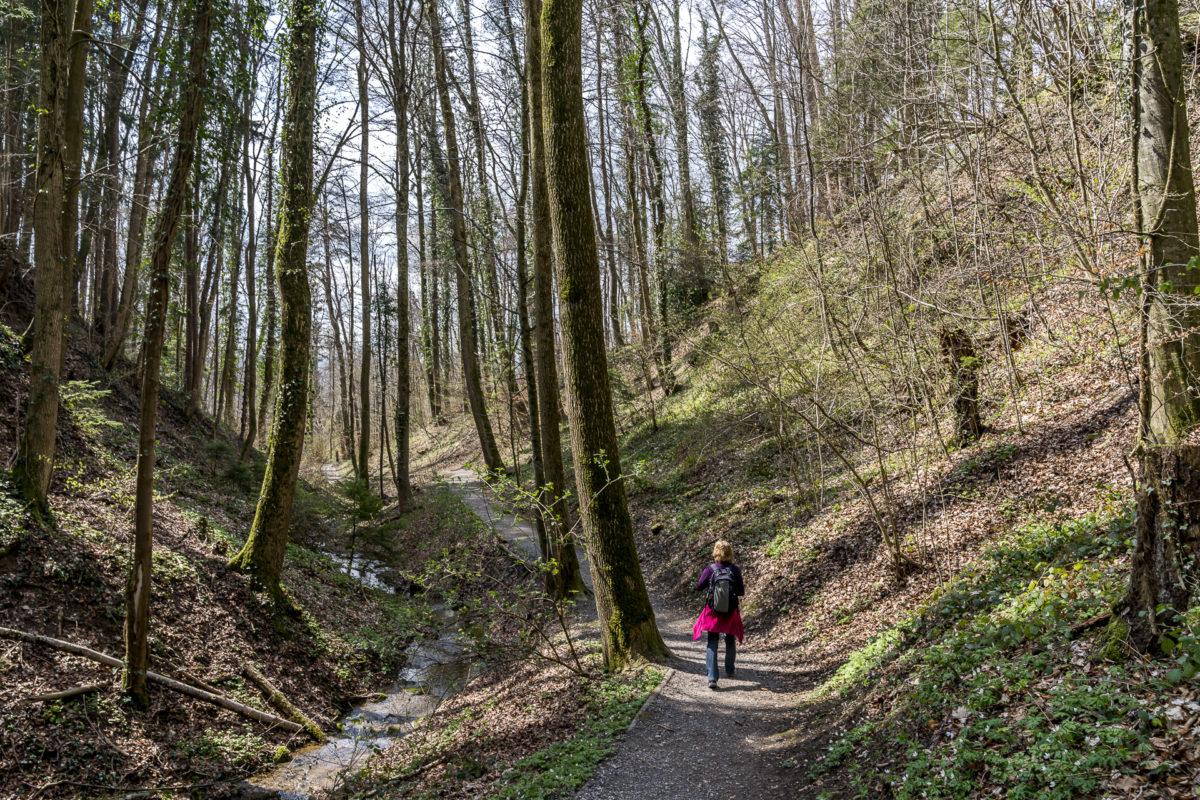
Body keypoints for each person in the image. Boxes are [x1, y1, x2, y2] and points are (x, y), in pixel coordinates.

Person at [693, 540, 744, 689]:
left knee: (712, 641)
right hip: (731, 611)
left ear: (715, 552)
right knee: (730, 639)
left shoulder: (710, 569)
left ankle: (712, 678)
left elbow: (698, 586)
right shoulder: (735, 570)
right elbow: (741, 591)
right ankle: (730, 670)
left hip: (713, 611)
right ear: (730, 553)